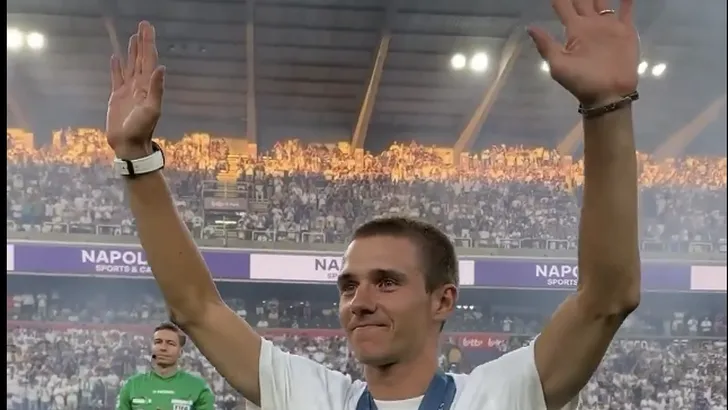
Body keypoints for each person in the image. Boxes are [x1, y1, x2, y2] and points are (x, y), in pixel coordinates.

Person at [104, 0, 641, 408]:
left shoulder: (499, 394)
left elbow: (607, 298)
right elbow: (197, 307)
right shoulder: (314, 395)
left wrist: (606, 108)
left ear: (442, 300)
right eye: (349, 285)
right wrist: (136, 157)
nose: (358, 300)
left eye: (386, 281)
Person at [116, 322, 214, 410]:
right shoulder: (131, 386)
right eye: (158, 342)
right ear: (152, 348)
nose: (163, 348)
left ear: (180, 352)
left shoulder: (198, 387)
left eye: (170, 343)